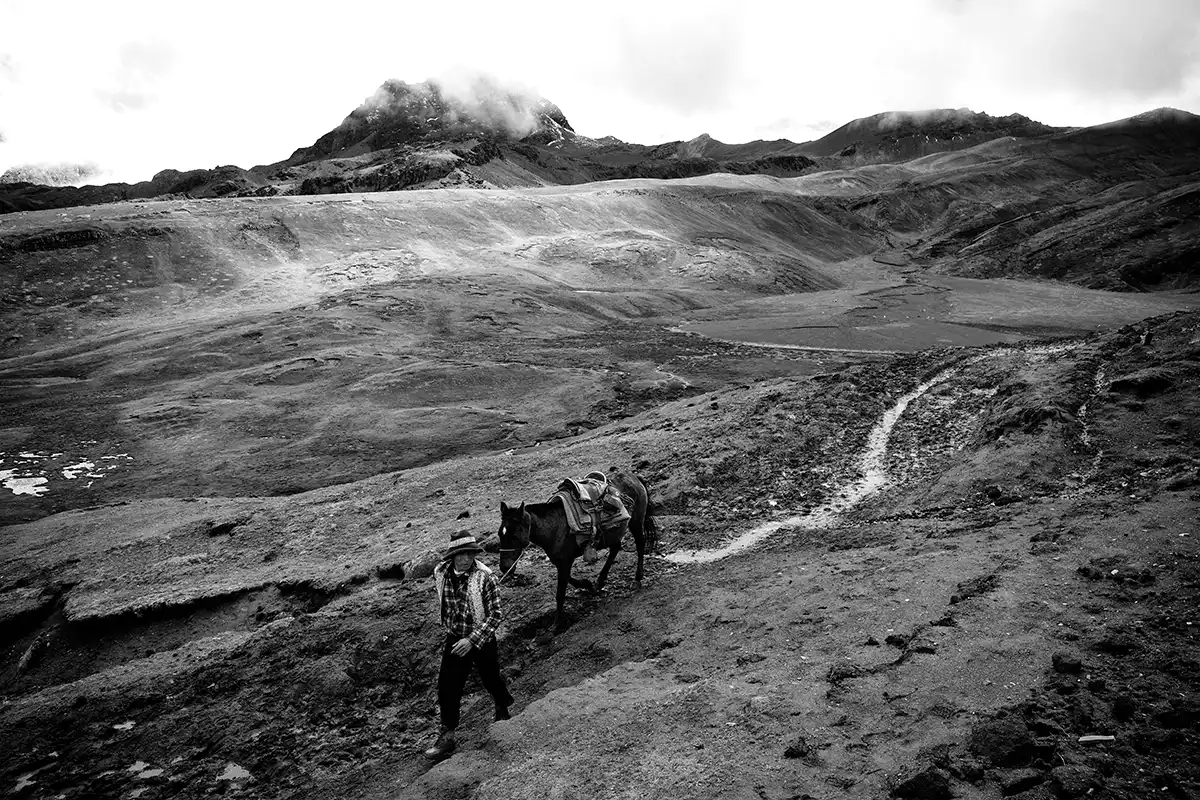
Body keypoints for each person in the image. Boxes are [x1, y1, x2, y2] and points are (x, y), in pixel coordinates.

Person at [424, 529, 514, 760]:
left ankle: (502, 706)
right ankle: (448, 736)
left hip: (481, 639)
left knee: (491, 678)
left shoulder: (486, 577)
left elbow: (495, 616)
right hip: (455, 638)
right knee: (447, 686)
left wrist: (472, 640)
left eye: (470, 554)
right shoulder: (440, 573)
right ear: (452, 556)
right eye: (461, 554)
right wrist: (455, 633)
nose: (466, 559)